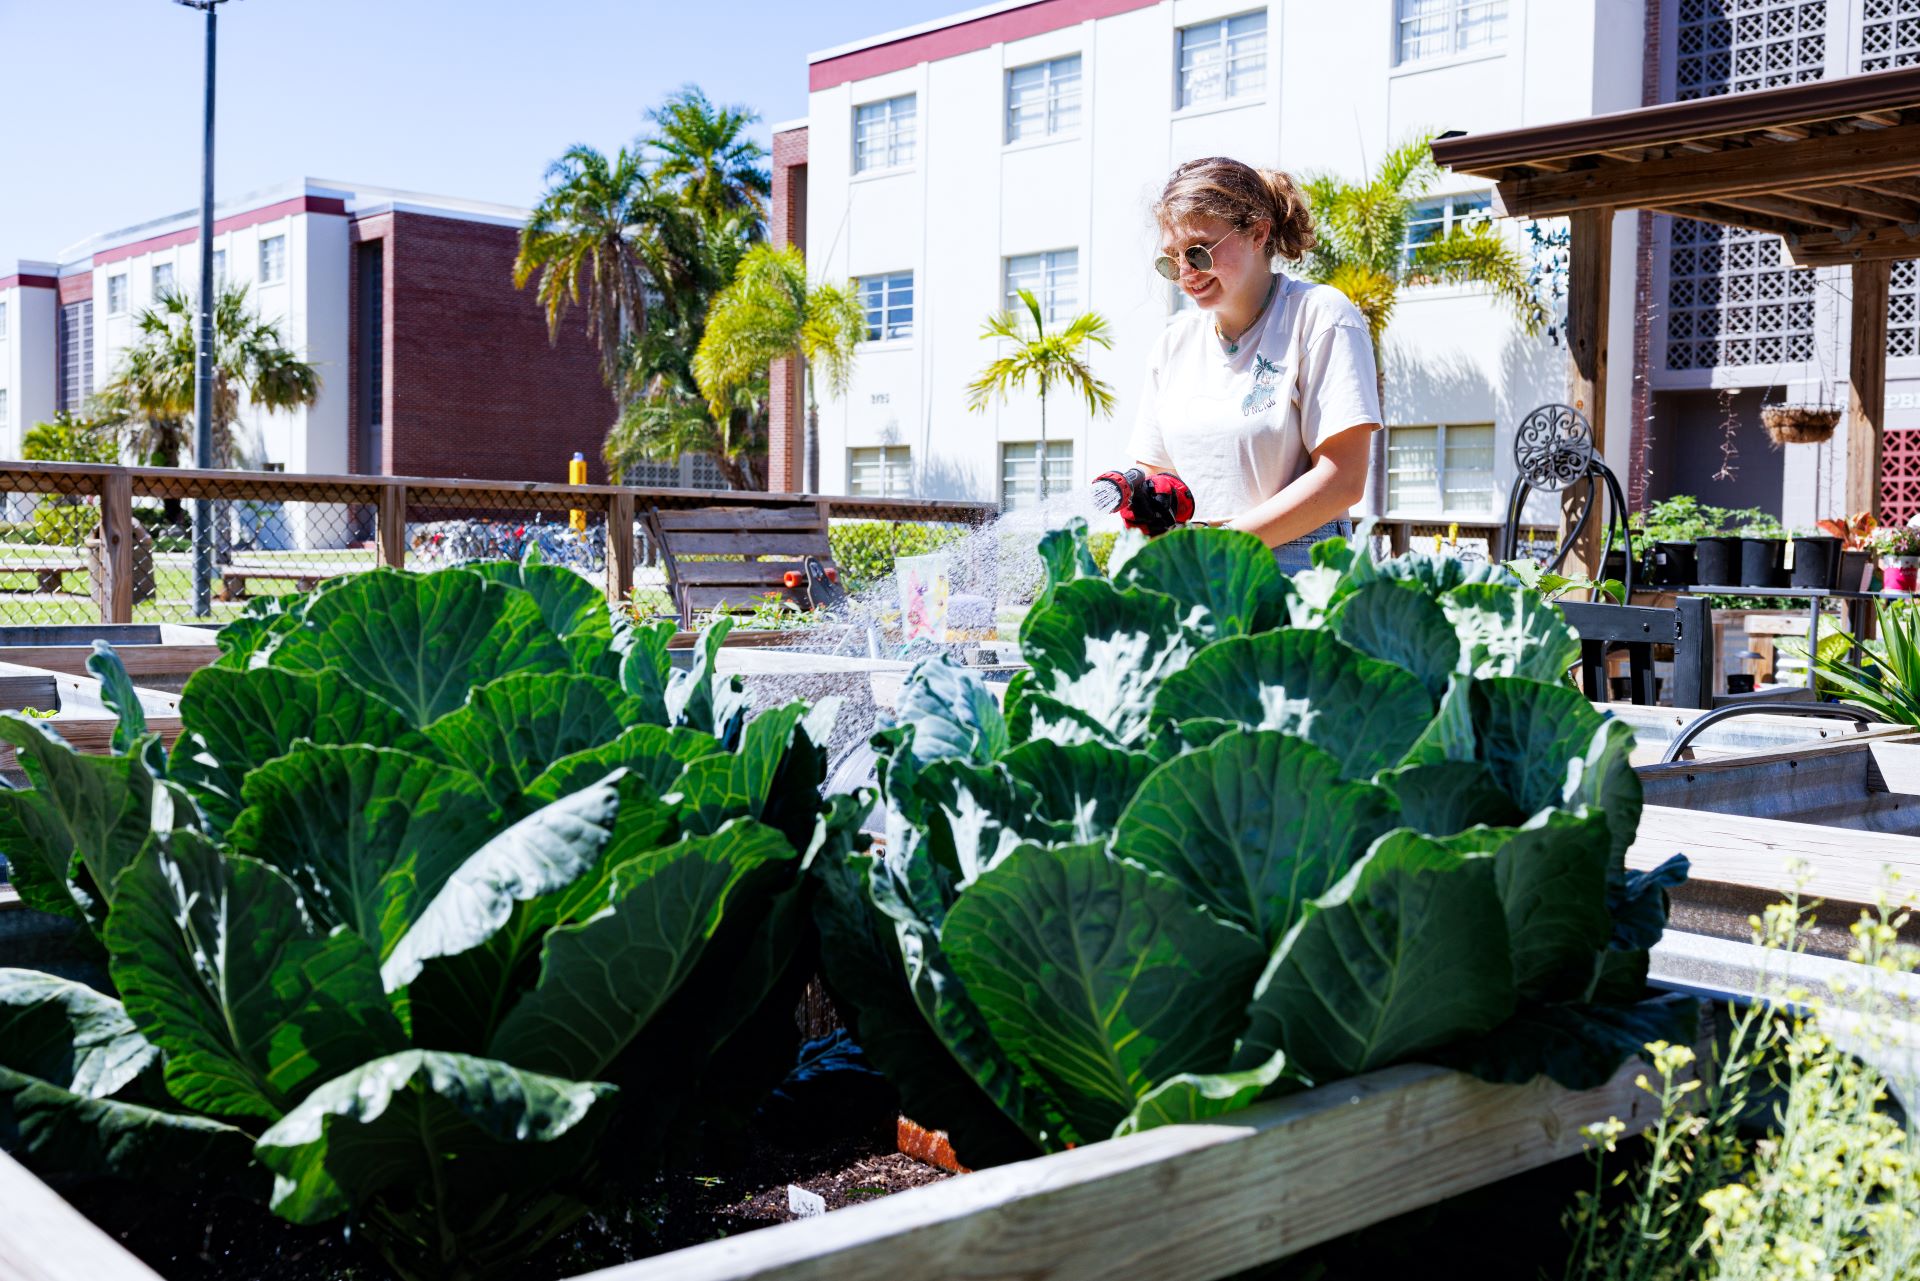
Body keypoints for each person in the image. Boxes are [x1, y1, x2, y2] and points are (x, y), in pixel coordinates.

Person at [1128, 156, 1381, 572]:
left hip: (1299, 571)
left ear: (1258, 232)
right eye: (1170, 260)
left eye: (1198, 251)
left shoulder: (1319, 316)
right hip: (1196, 570)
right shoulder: (1173, 345)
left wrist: (1224, 546)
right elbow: (1154, 475)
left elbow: (1343, 480)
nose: (1186, 272)